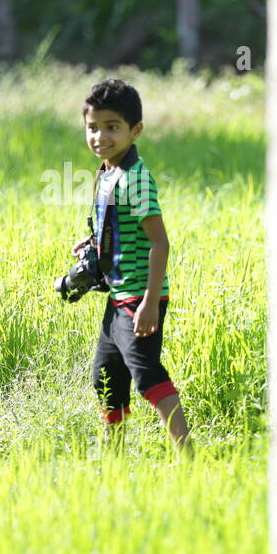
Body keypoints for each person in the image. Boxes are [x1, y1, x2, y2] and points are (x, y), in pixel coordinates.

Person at [75, 79, 191, 453]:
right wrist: (94, 246)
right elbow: (117, 227)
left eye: (112, 127)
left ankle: (188, 457)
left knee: (147, 376)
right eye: (93, 128)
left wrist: (149, 302)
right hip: (119, 295)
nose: (100, 136)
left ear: (134, 130)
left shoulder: (136, 178)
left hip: (140, 296)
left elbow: (160, 242)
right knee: (106, 377)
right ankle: (113, 455)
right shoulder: (109, 172)